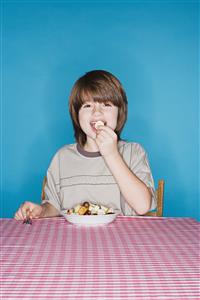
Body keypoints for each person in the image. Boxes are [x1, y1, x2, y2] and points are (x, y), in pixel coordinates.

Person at [14, 70, 156, 221]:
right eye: (87, 106)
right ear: (77, 115)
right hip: (72, 242)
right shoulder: (62, 158)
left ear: (119, 112)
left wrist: (111, 154)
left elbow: (142, 206)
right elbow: (54, 205)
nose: (97, 112)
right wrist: (41, 211)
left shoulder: (133, 152)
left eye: (106, 104)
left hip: (122, 241)